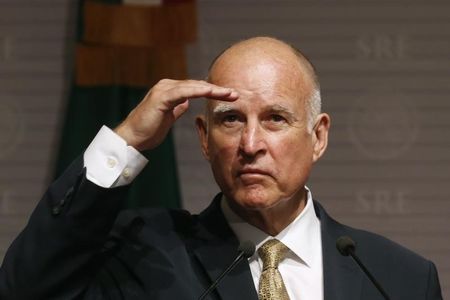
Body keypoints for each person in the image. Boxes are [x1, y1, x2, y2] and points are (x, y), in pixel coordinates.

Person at [0, 37, 442, 300]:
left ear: (319, 136)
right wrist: (126, 139)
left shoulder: (397, 277)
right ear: (204, 138)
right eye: (231, 120)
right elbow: (26, 289)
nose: (251, 145)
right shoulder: (141, 255)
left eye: (275, 118)